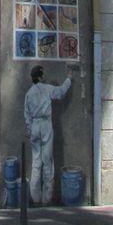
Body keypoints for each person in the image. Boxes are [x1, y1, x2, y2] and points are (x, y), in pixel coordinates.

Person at [24, 63, 74, 206]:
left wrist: (29, 130)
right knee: (47, 161)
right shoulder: (47, 89)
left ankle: (35, 197)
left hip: (34, 125)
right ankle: (47, 197)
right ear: (40, 76)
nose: (45, 76)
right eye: (43, 74)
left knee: (36, 162)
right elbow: (61, 92)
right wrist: (69, 78)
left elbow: (26, 115)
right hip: (45, 124)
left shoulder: (29, 93)